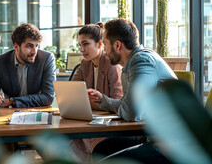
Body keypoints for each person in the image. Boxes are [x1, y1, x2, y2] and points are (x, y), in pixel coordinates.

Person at [90, 18, 176, 163]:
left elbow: (131, 112)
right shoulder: (132, 63)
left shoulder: (142, 61)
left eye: (105, 44)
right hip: (152, 134)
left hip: (169, 144)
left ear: (117, 45)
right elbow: (129, 106)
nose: (104, 50)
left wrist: (125, 106)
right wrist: (102, 100)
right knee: (101, 150)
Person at [70, 22, 123, 162]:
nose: (81, 49)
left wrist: (88, 103)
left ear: (100, 44)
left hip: (108, 125)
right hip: (90, 120)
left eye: (85, 44)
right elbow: (72, 92)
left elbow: (117, 101)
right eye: (80, 45)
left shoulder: (112, 65)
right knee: (66, 143)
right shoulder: (85, 63)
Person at [0, 23, 55, 108]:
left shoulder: (46, 59)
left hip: (37, 112)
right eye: (29, 46)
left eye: (36, 46)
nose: (34, 52)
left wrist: (12, 101)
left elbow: (48, 97)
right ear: (16, 47)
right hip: (10, 115)